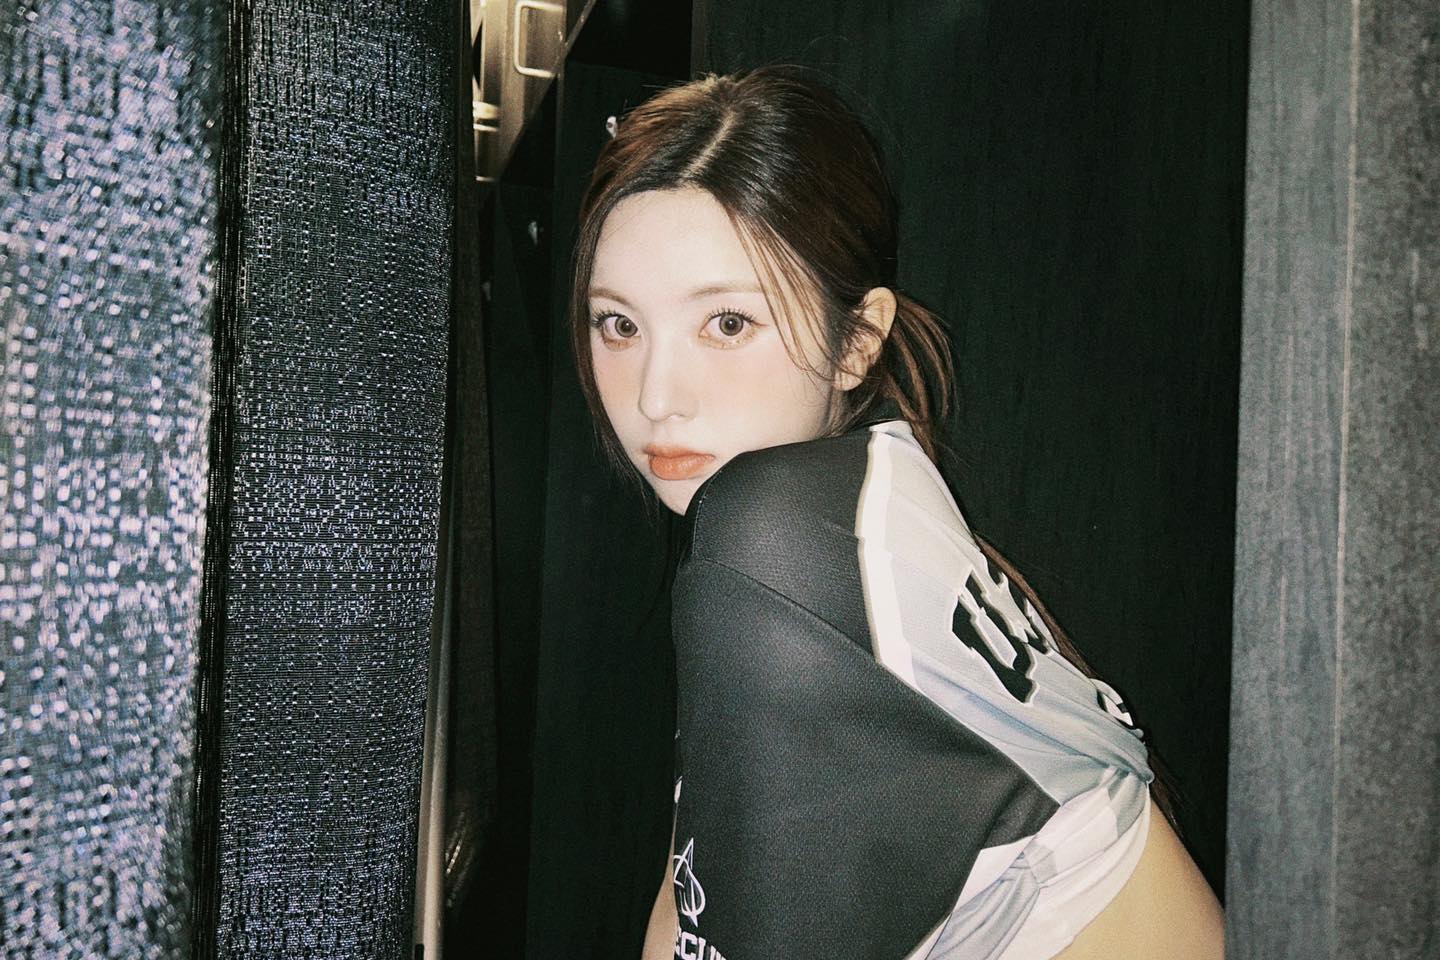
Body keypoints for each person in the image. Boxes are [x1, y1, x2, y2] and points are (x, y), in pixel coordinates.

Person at [567, 65, 1224, 960]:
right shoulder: (873, 487)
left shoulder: (772, 542)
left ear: (858, 341)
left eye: (727, 324)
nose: (655, 396)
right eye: (619, 325)